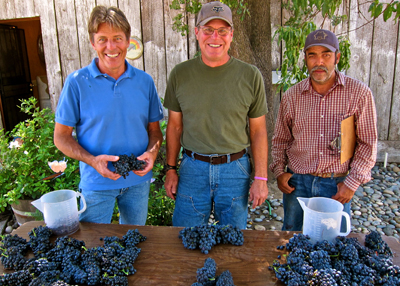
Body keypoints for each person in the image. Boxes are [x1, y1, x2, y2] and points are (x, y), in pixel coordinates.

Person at [163, 1, 269, 230]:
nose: (215, 37)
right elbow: (174, 127)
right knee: (185, 238)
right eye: (208, 30)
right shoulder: (180, 75)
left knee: (233, 242)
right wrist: (170, 169)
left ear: (231, 35)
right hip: (192, 168)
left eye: (222, 31)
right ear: (197, 33)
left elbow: (258, 130)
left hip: (235, 169)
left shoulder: (250, 76)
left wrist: (261, 177)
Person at [54, 6, 163, 225]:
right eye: (102, 39)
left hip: (137, 182)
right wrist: (92, 161)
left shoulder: (145, 82)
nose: (111, 47)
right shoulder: (76, 83)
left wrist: (152, 154)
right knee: (92, 247)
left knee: (135, 241)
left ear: (128, 41)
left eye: (118, 38)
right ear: (93, 43)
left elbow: (154, 131)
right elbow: (61, 137)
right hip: (96, 184)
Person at [270, 29, 377, 231]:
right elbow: (280, 140)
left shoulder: (359, 94)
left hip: (336, 185)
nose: (319, 62)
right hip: (297, 183)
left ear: (337, 57)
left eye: (326, 55)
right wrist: (279, 172)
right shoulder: (292, 96)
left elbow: (368, 144)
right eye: (312, 55)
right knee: (291, 239)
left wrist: (352, 183)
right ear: (305, 59)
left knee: (333, 243)